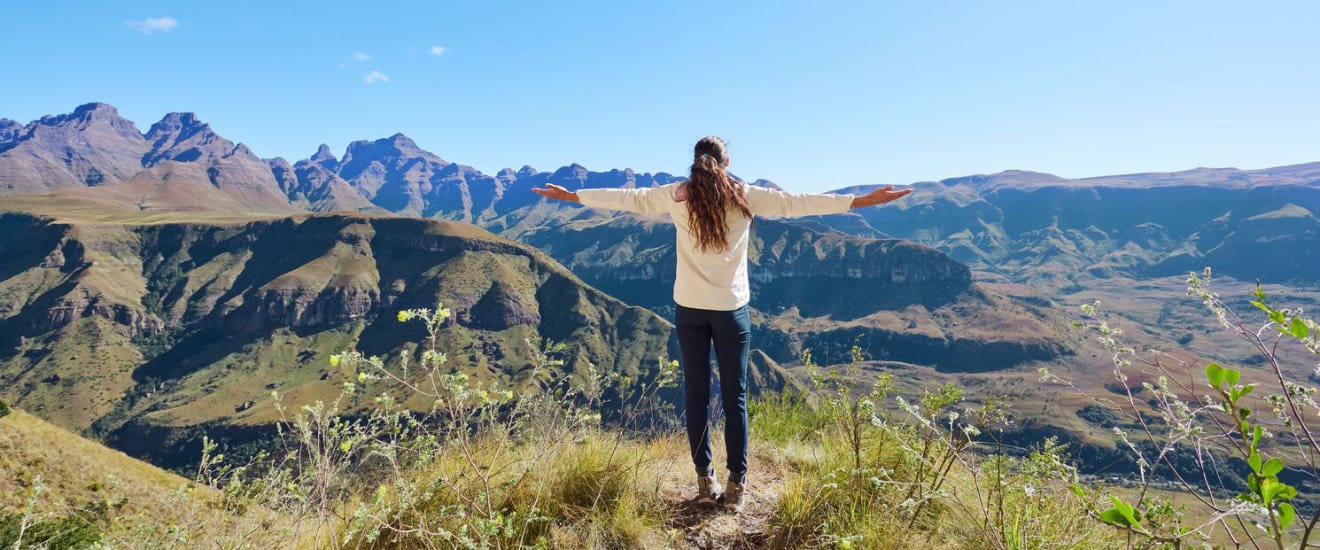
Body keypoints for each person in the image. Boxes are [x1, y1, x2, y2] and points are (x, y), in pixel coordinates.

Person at [532, 136, 911, 512]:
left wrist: (574, 196)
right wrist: (860, 201)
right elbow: (796, 203)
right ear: (725, 163)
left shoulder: (676, 194)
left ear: (696, 161)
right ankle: (736, 484)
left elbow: (627, 199)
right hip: (731, 311)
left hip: (690, 310)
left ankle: (704, 479)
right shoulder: (745, 195)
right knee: (735, 399)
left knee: (696, 395)